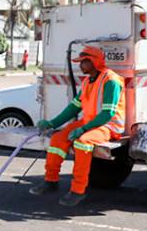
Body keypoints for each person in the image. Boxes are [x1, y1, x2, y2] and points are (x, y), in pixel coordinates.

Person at [31, 45, 125, 207]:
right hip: (90, 123)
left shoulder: (111, 81)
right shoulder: (88, 80)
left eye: (83, 62)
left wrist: (83, 129)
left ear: (93, 62)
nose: (80, 65)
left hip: (108, 126)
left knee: (83, 142)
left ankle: (78, 190)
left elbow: (108, 114)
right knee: (57, 139)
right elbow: (74, 107)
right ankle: (50, 181)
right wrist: (52, 123)